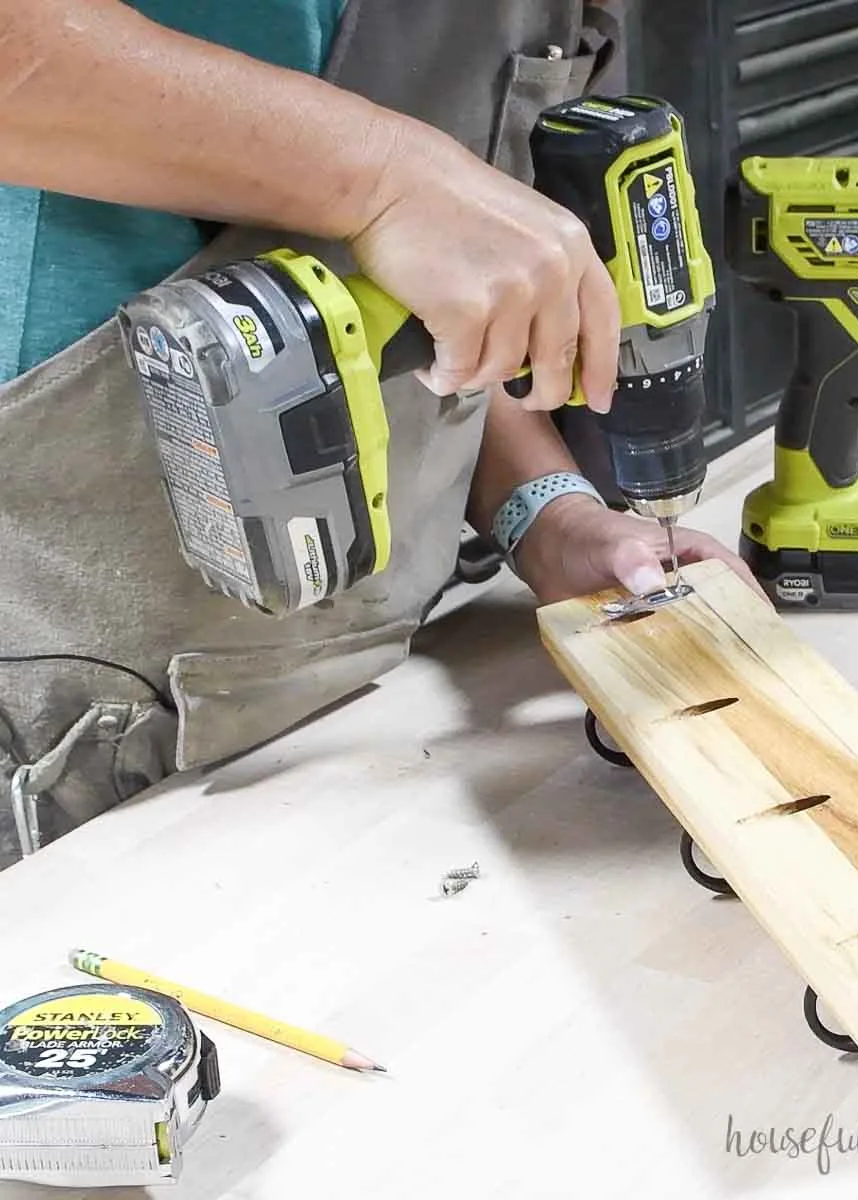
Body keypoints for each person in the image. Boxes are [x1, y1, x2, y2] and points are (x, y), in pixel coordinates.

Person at [0, 0, 759, 866]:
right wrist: (389, 180)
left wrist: (548, 512)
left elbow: (449, 302)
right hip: (75, 716)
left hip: (375, 698)